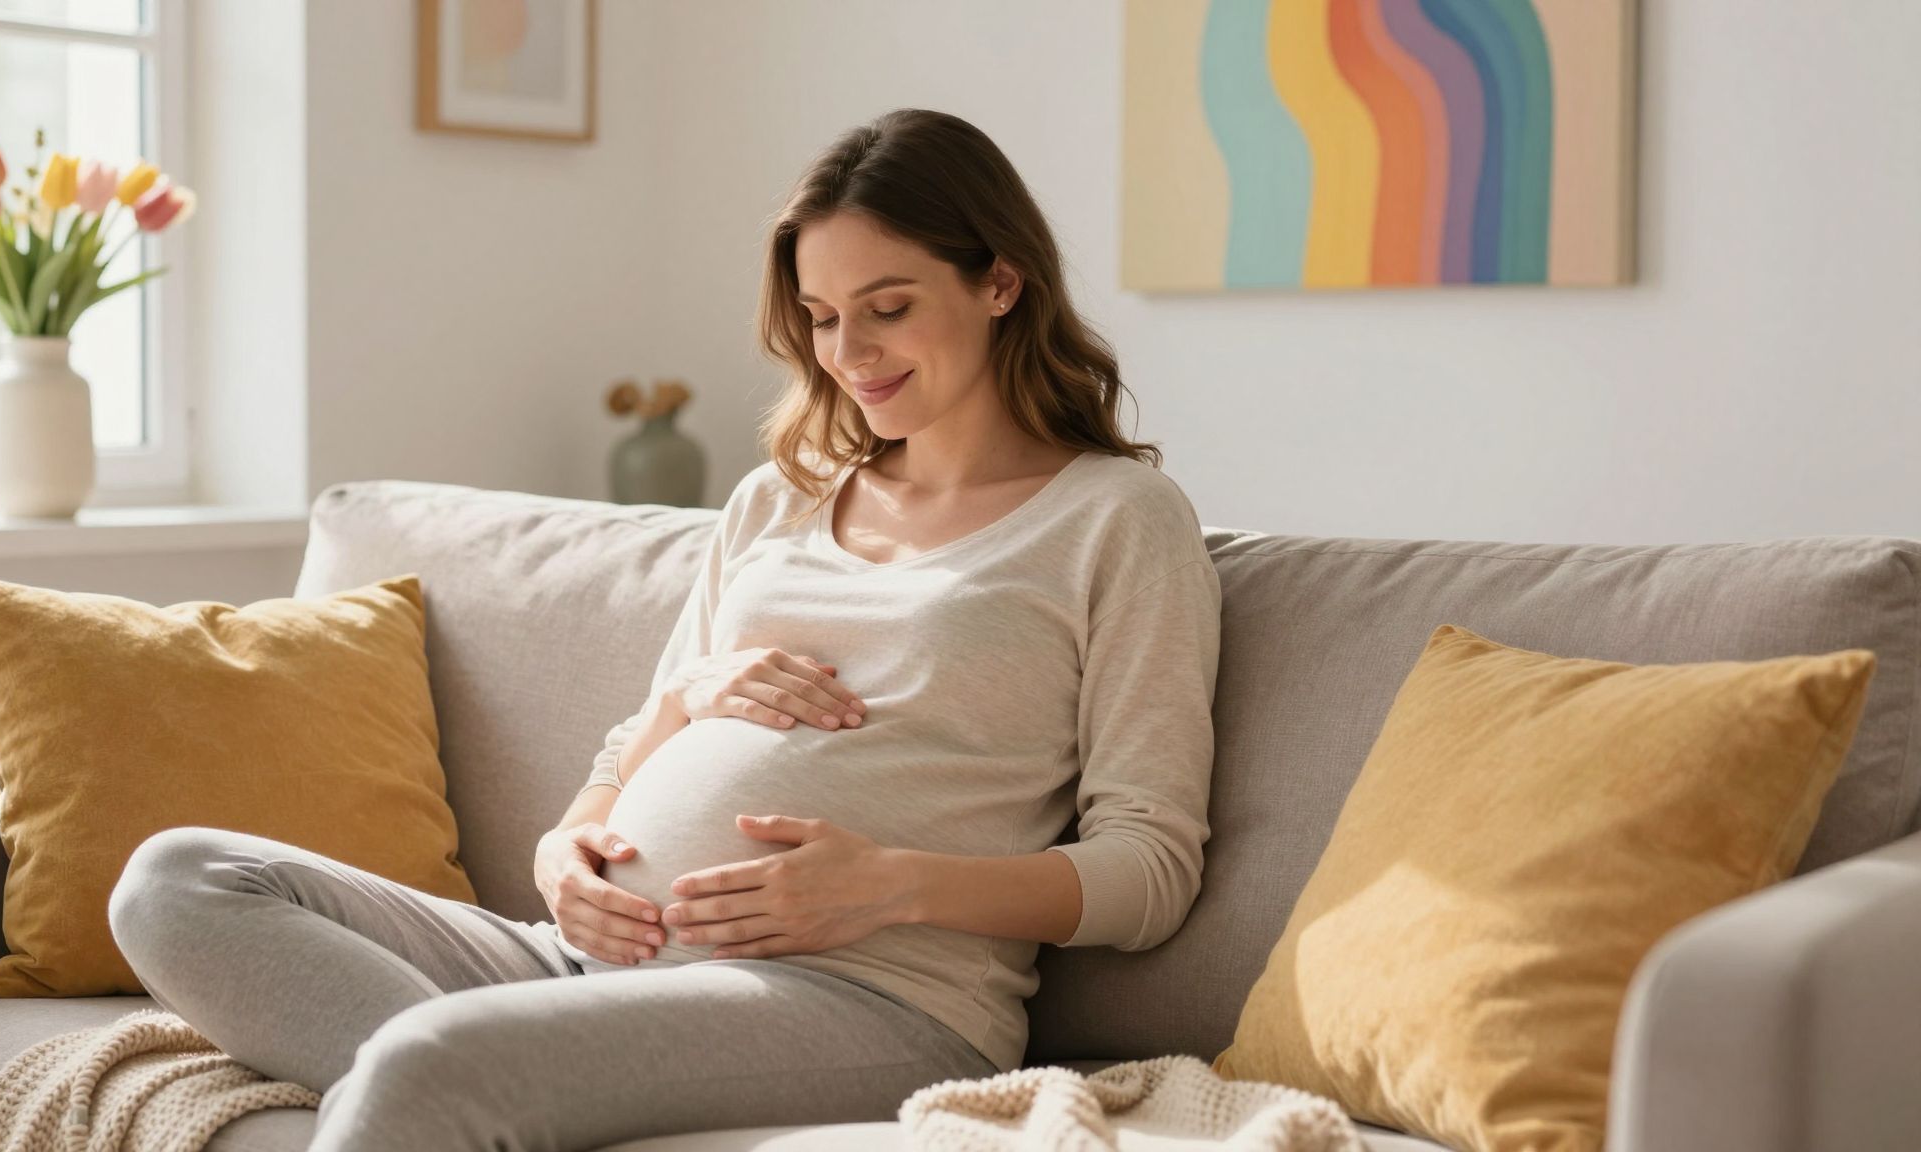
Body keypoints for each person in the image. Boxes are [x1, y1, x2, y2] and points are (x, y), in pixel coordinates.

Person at [107, 107, 1222, 1152]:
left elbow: (1149, 867)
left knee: (431, 1060)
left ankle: (468, 1087)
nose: (850, 353)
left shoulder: (1113, 519)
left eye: (888, 307)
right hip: (579, 957)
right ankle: (502, 1094)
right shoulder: (776, 498)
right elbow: (622, 755)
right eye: (823, 318)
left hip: (863, 996)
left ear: (1000, 284)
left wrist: (894, 882)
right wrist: (566, 845)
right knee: (176, 880)